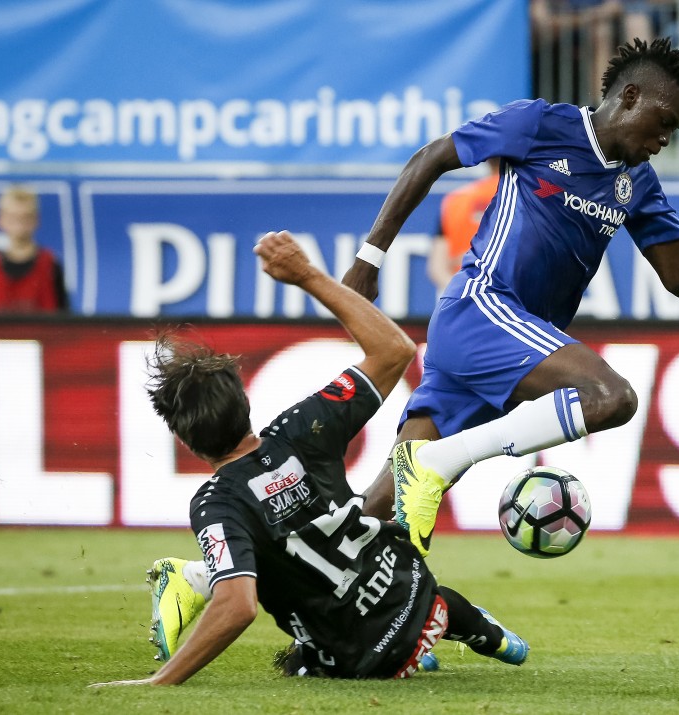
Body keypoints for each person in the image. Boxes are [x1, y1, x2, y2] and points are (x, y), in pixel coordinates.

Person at [340, 38, 679, 559]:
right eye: (664, 121)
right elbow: (432, 157)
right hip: (482, 308)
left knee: (379, 510)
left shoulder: (638, 183)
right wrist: (369, 257)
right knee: (611, 398)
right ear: (629, 96)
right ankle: (438, 464)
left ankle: (312, 588)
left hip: (513, 346)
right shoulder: (540, 124)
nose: (666, 138)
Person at [92, 231, 527, 685]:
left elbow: (239, 606)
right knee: (402, 587)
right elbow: (395, 351)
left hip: (360, 662)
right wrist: (307, 276)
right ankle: (480, 631)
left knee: (298, 656)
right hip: (415, 593)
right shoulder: (301, 428)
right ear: (244, 404)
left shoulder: (215, 504)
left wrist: (161, 680)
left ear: (187, 441)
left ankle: (194, 578)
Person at [426, 157, 501, 296]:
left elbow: (437, 267)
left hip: (462, 297)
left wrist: (464, 293)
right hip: (510, 301)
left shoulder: (456, 199)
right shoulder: (531, 196)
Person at [0, 185, 69, 313]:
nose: (19, 224)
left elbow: (64, 320)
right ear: (0, 220)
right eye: (13, 217)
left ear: (36, 219)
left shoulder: (50, 265)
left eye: (25, 217)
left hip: (42, 333)